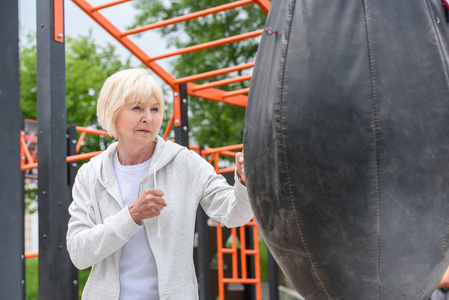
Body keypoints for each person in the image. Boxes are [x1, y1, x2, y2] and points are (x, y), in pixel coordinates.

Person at [66, 68, 253, 300]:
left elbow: (235, 215)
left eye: (155, 109)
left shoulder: (185, 162)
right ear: (113, 112)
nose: (149, 117)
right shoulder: (91, 173)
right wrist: (131, 216)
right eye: (137, 108)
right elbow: (78, 254)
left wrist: (244, 183)